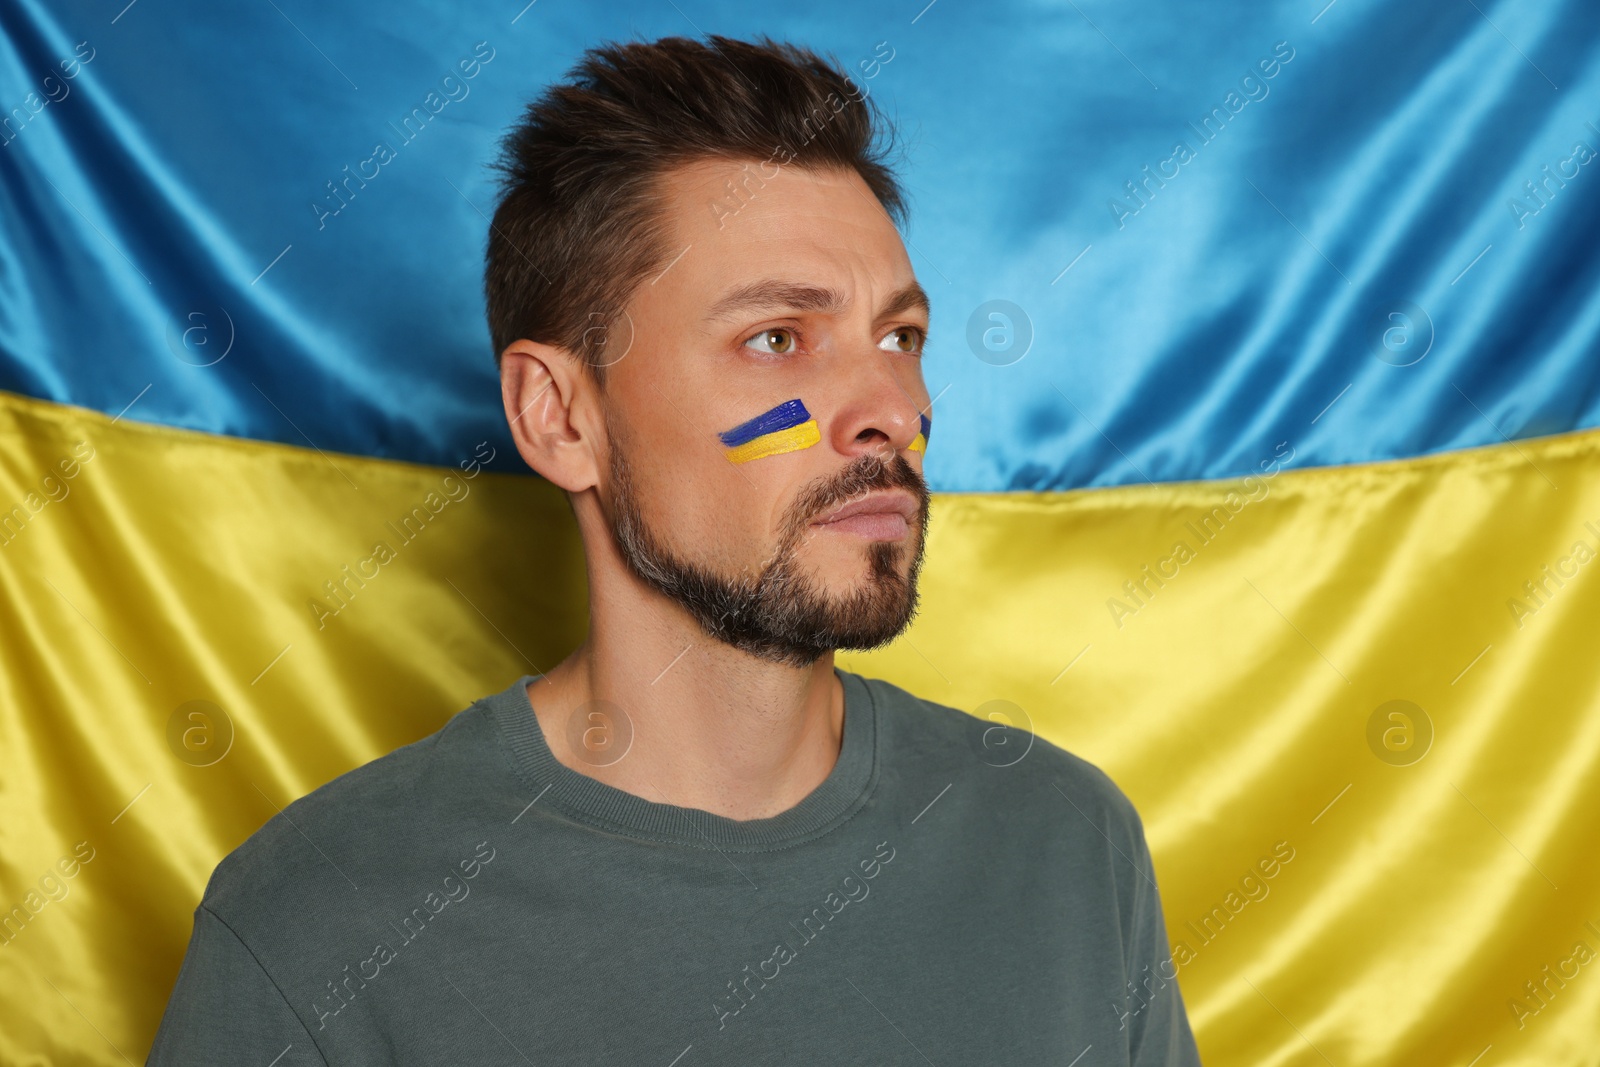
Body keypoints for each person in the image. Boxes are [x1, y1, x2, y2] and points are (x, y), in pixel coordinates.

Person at [149, 33, 1200, 1065]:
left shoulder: (1066, 844)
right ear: (559, 416)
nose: (888, 406)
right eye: (776, 338)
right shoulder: (315, 920)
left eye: (900, 337)